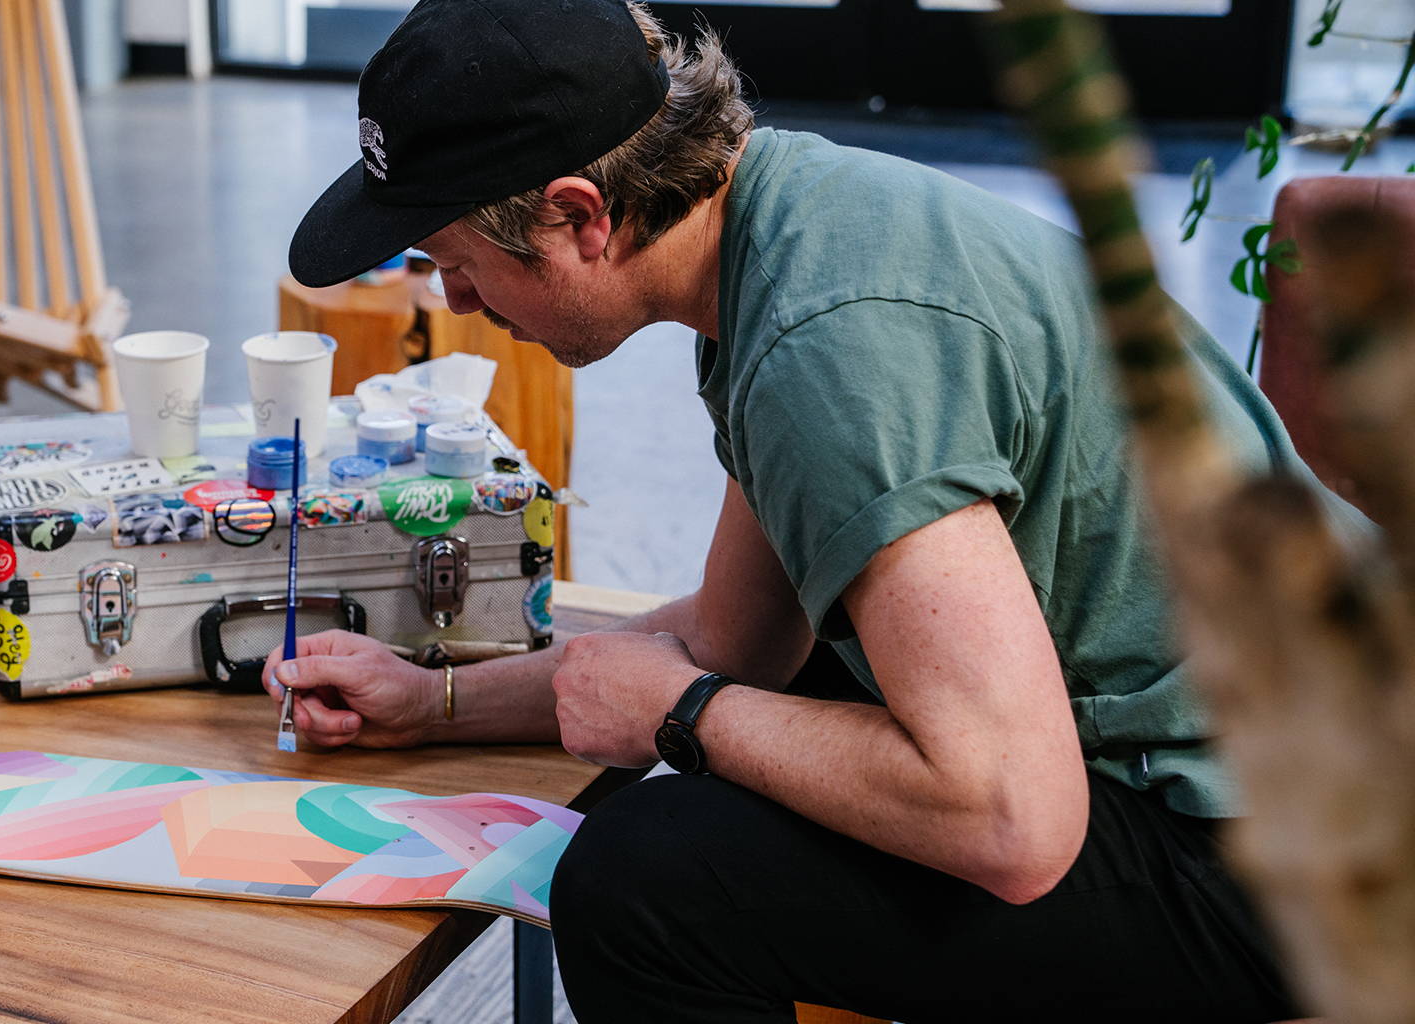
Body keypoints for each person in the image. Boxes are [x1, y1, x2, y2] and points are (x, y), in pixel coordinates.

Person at [272, 0, 1355, 1020]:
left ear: (576, 215)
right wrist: (431, 700)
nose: (453, 303)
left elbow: (1011, 817)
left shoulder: (824, 350)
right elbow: (729, 641)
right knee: (791, 697)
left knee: (642, 882)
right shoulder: (782, 223)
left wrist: (683, 714)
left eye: (457, 265)